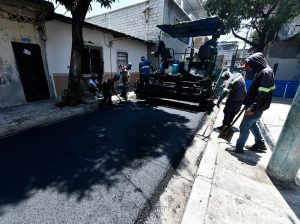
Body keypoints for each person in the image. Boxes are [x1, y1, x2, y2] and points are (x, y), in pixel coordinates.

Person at [226, 52, 275, 153]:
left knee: (244, 126)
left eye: (252, 64)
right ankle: (260, 144)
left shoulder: (265, 73)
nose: (251, 67)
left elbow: (262, 93)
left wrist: (252, 108)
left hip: (255, 107)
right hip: (259, 107)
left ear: (257, 62)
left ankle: (238, 148)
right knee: (252, 124)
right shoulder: (267, 71)